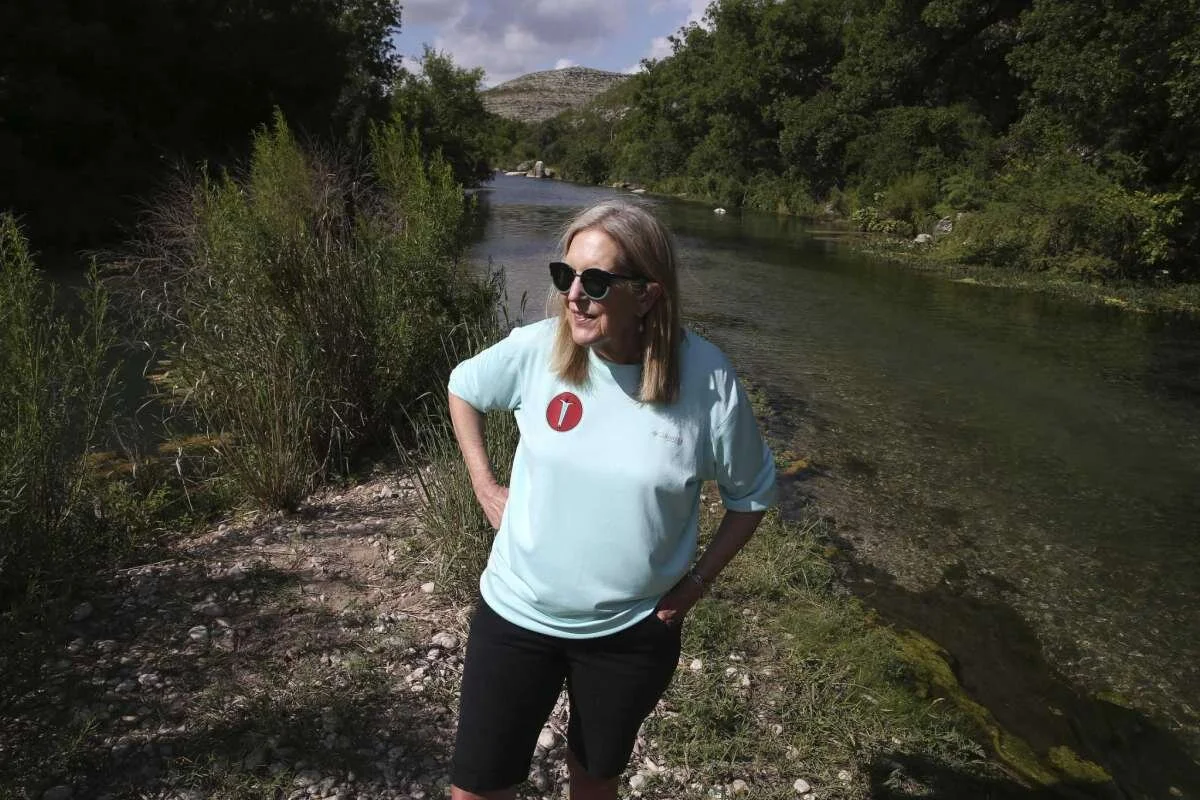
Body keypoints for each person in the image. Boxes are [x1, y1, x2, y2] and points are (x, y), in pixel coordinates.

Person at [446, 200, 776, 800]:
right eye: (564, 276)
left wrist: (697, 584)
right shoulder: (541, 349)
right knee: (477, 786)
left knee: (595, 779)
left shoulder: (706, 379)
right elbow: (463, 388)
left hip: (630, 633)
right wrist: (484, 486)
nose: (574, 295)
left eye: (595, 281)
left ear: (647, 294)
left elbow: (750, 495)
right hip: (516, 615)